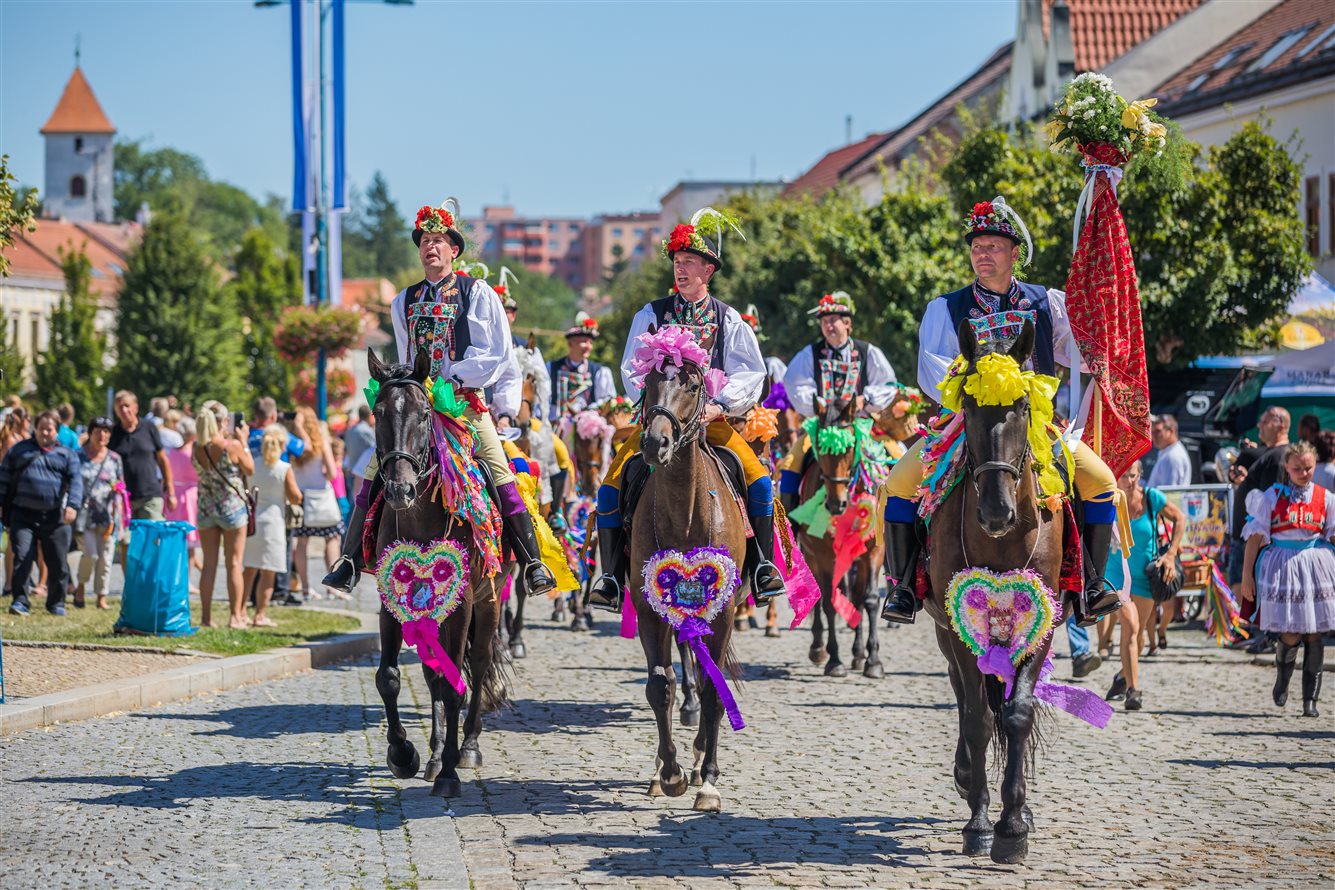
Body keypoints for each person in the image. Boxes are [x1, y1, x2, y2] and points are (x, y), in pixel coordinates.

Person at [880, 197, 1121, 625]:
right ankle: (903, 587)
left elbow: (1081, 354)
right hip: (965, 422)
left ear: (1015, 254)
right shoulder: (947, 307)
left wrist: (1098, 312)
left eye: (992, 246)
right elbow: (930, 367)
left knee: (1101, 481)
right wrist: (971, 386)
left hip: (1034, 425)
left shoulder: (1046, 303)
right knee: (899, 483)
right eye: (976, 247)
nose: (982, 255)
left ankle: (1093, 584)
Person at [323, 199, 557, 596]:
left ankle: (533, 562)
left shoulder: (477, 293)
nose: (430, 247)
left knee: (498, 467)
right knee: (375, 467)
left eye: (438, 240)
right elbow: (403, 354)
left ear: (454, 249)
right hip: (417, 402)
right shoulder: (403, 300)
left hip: (463, 401)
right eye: (424, 241)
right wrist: (410, 385)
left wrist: (452, 378)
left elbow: (496, 354)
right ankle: (348, 560)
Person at [587, 208, 784, 610]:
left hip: (711, 423)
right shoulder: (651, 314)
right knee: (610, 487)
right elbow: (631, 367)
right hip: (663, 422)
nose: (681, 270)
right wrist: (657, 406)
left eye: (689, 263)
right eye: (677, 262)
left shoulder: (728, 319)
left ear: (708, 270)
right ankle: (609, 576)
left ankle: (763, 567)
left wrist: (721, 405)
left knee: (761, 482)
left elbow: (752, 372)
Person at [777, 290, 899, 511]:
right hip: (820, 428)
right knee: (790, 464)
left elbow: (888, 384)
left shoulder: (867, 352)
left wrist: (865, 399)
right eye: (824, 321)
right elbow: (794, 384)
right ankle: (789, 533)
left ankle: (902, 534)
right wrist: (821, 406)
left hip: (863, 426)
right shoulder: (810, 353)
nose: (828, 326)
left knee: (898, 457)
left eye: (833, 320)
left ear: (847, 323)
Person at [1240, 441, 1335, 718]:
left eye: (1308, 468)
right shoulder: (1273, 496)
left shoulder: (1325, 498)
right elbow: (1255, 537)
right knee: (1291, 632)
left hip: (1315, 566)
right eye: (1297, 469)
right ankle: (1283, 679)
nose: (1304, 473)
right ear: (1287, 468)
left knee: (1315, 632)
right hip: (1283, 567)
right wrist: (1247, 576)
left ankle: (1310, 699)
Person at [1102, 459, 1185, 710]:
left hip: (1145, 575)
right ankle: (1133, 690)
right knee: (1130, 624)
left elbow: (1180, 518)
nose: (1130, 481)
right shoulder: (1105, 500)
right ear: (1115, 477)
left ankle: (1121, 676)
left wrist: (1171, 554)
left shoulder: (1151, 497)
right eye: (1125, 476)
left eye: (1135, 475)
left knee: (1136, 637)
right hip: (1116, 574)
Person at [0, 410, 84, 615]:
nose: (45, 433)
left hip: (55, 516)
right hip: (23, 514)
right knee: (22, 556)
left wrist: (72, 505)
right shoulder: (19, 451)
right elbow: (4, 478)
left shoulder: (67, 454)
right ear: (34, 429)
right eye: (41, 428)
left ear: (56, 431)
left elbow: (76, 482)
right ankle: (20, 601)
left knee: (57, 561)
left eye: (50, 429)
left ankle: (56, 603)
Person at [1227, 406, 1291, 636]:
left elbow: (1268, 502)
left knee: (1250, 587)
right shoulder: (1270, 454)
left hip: (1256, 538)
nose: (1259, 426)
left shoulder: (1278, 456)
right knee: (1240, 585)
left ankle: (1257, 634)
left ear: (1280, 424)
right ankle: (1250, 632)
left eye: (1265, 421)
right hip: (1245, 534)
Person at [192, 406, 254, 629]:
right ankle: (235, 616)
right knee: (234, 564)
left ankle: (206, 619)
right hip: (231, 509)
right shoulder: (232, 446)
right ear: (223, 421)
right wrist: (244, 441)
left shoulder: (196, 447)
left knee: (208, 565)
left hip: (206, 508)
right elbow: (249, 469)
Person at [244, 424, 302, 628]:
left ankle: (241, 610)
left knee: (249, 569)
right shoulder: (283, 468)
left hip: (252, 520)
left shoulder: (252, 464)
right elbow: (296, 497)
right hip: (274, 521)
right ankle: (260, 614)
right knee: (268, 572)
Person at [289, 407, 346, 601]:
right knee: (332, 539)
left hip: (302, 498)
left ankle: (306, 588)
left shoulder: (293, 444)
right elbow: (332, 473)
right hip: (322, 498)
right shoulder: (321, 443)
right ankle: (332, 587)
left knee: (302, 543)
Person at [73, 415, 125, 610]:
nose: (102, 435)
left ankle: (101, 596)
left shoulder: (114, 458)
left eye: (106, 432)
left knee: (106, 557)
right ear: (90, 433)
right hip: (85, 516)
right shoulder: (78, 456)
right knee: (91, 555)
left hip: (109, 516)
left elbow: (121, 483)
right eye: (97, 431)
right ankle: (80, 586)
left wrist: (118, 489)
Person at [109, 390, 177, 520]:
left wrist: (171, 492)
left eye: (127, 405)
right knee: (126, 540)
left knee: (152, 538)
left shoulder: (149, 428)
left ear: (135, 407)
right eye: (119, 407)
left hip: (150, 496)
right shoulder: (113, 433)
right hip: (123, 498)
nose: (124, 410)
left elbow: (162, 460)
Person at [549, 312, 616, 421]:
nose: (588, 346)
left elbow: (607, 401)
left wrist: (586, 412)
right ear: (570, 344)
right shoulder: (552, 368)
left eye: (590, 342)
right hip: (556, 427)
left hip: (586, 428)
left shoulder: (599, 372)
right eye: (584, 342)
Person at [164, 415, 203, 581]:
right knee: (190, 544)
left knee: (176, 540)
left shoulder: (172, 452)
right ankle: (186, 581)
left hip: (175, 495)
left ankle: (175, 577)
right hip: (191, 497)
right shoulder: (193, 454)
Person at [1146, 414, 1191, 488]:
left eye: (1158, 431)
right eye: (1152, 432)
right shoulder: (1169, 453)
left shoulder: (1172, 457)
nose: (1153, 436)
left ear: (1171, 431)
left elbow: (1170, 494)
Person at [343, 404, 376, 493]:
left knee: (352, 501)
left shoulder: (350, 430)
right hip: (362, 473)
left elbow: (346, 450)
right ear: (369, 415)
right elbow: (375, 450)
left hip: (350, 470)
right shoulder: (367, 431)